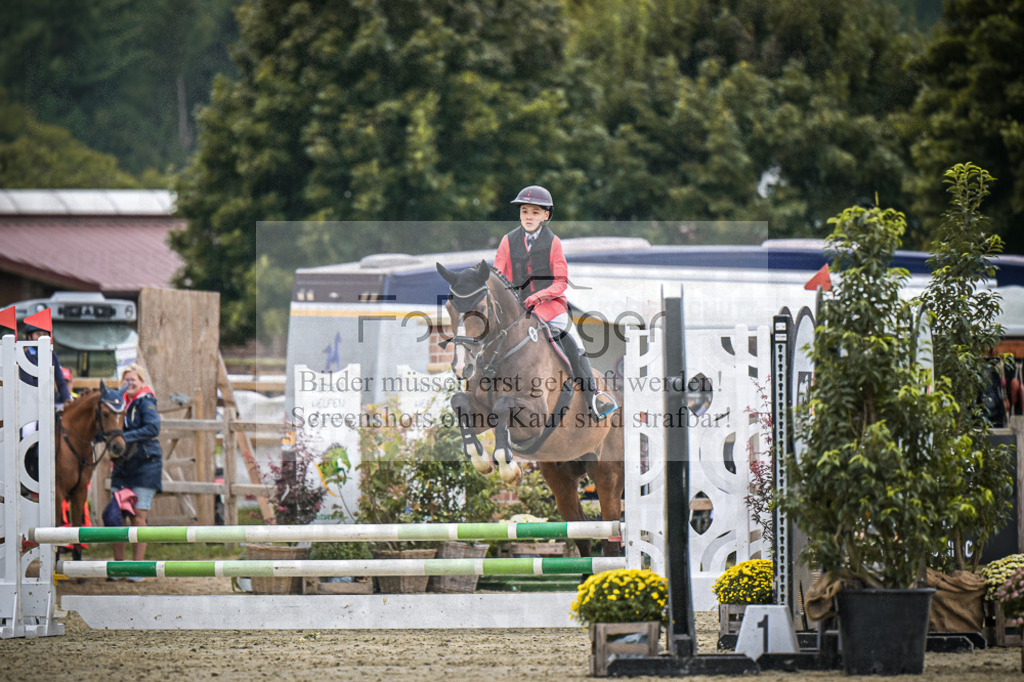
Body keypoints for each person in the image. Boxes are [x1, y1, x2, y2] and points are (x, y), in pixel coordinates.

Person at [493, 185, 617, 419]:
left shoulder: (554, 243)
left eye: (535, 212)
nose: (529, 217)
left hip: (550, 309)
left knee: (575, 344)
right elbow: (498, 276)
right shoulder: (507, 241)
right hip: (518, 312)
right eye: (525, 212)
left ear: (546, 215)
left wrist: (538, 297)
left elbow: (561, 282)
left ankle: (594, 399)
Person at [110, 363, 163, 576]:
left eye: (133, 380)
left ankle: (137, 568)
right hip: (123, 466)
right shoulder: (119, 404)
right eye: (126, 379)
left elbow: (153, 428)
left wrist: (123, 437)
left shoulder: (146, 402)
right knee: (116, 516)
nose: (129, 383)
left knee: (138, 516)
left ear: (141, 382)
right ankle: (118, 566)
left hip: (145, 464)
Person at [21, 324, 73, 409]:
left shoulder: (52, 355)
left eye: (44, 334)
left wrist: (67, 400)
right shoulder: (25, 356)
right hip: (29, 402)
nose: (42, 338)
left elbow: (61, 382)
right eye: (38, 334)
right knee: (31, 423)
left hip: (52, 399)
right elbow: (28, 383)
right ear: (29, 337)